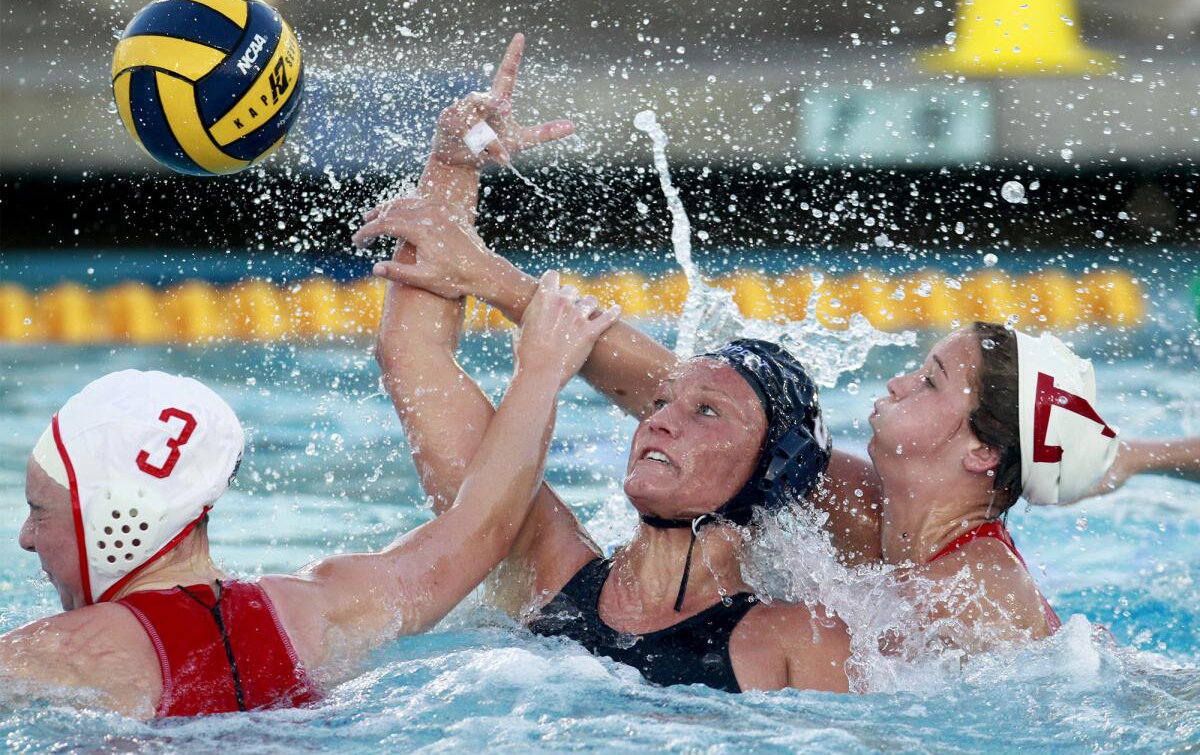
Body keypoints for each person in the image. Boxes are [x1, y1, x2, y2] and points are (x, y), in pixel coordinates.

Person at [356, 35, 1200, 672]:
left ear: (983, 451)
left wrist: (489, 280)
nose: (901, 377)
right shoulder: (865, 507)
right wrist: (459, 192)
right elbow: (674, 388)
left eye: (933, 377)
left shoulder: (966, 607)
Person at [0, 271, 619, 718]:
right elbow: (482, 526)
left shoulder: (53, 657)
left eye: (40, 510)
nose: (26, 537)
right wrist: (540, 373)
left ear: (117, 518)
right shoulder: (325, 610)